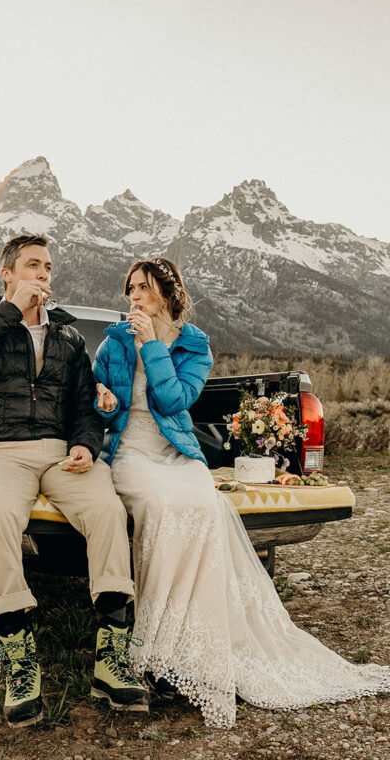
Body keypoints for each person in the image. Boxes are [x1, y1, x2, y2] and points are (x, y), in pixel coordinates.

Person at [93, 256, 390, 728]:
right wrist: (103, 399)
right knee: (161, 505)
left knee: (202, 503)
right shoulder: (113, 343)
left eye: (143, 289)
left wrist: (152, 346)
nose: (133, 297)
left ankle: (181, 641)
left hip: (177, 452)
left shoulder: (194, 348)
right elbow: (102, 406)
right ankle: (154, 641)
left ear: (168, 296)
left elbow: (174, 402)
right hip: (132, 451)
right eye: (130, 288)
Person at [0, 234, 149, 728]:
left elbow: (84, 407)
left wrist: (85, 444)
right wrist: (10, 310)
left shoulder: (70, 339)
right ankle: (20, 661)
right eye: (33, 266)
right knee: (0, 516)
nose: (44, 276)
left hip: (60, 454)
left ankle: (110, 661)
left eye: (48, 268)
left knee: (107, 511)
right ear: (7, 273)